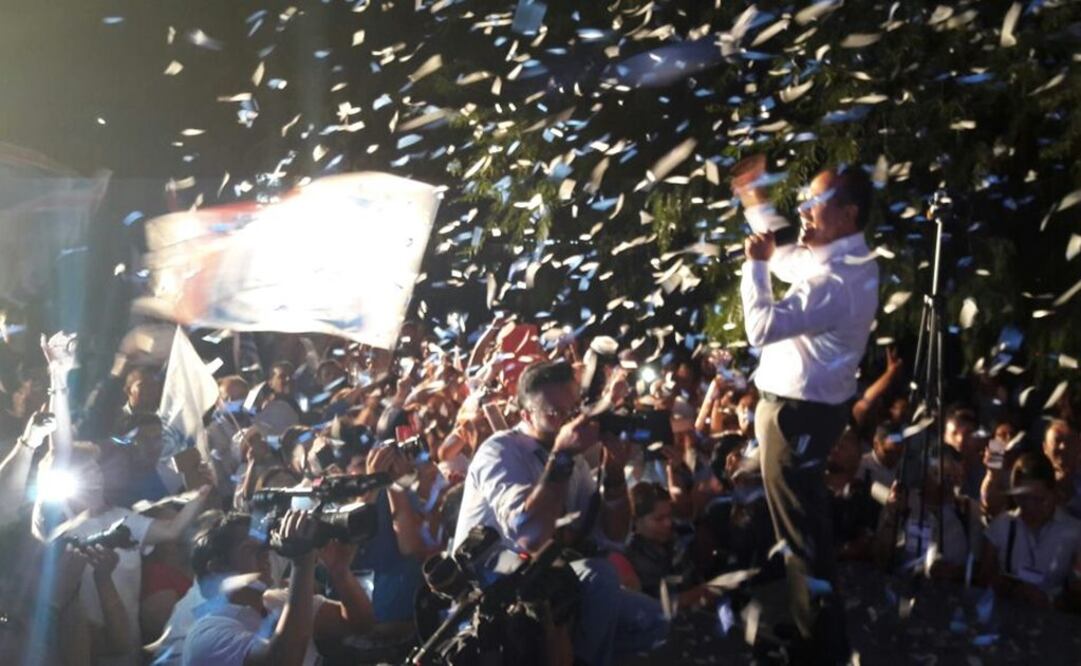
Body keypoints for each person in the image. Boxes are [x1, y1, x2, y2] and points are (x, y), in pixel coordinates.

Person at [733, 156, 879, 663]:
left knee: (801, 540)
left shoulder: (836, 280)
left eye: (816, 202)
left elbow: (759, 330)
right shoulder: (842, 260)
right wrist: (754, 200)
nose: (803, 210)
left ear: (849, 213)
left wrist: (753, 265)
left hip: (797, 418)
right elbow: (787, 257)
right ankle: (810, 633)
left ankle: (821, 649)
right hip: (806, 415)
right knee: (800, 532)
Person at [453, 360, 668, 665]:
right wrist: (562, 456)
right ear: (526, 415)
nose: (569, 421)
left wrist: (615, 471)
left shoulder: (572, 460)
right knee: (601, 576)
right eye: (556, 413)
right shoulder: (500, 451)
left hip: (552, 584)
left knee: (654, 620)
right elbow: (529, 536)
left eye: (573, 410)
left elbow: (613, 535)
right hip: (495, 595)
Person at [978, 452, 1081, 609]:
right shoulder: (1002, 526)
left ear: (1053, 493)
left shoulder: (1074, 532)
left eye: (1039, 500)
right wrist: (1009, 588)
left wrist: (1050, 601)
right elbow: (982, 578)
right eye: (1023, 499)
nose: (1031, 507)